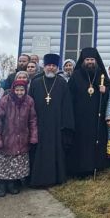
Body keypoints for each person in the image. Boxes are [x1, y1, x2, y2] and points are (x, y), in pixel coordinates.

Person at [28, 54, 74, 188]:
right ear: (44, 66)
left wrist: (66, 125)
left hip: (56, 125)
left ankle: (56, 178)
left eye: (54, 66)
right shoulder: (36, 82)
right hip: (39, 123)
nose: (51, 68)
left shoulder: (61, 82)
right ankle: (38, 179)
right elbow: (30, 104)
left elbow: (67, 106)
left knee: (55, 151)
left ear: (57, 67)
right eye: (49, 65)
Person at [67, 47, 110, 177]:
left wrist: (105, 90)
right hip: (80, 117)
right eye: (87, 59)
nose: (90, 62)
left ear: (96, 60)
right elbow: (69, 96)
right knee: (81, 143)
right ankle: (80, 169)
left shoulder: (101, 74)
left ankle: (95, 166)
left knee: (95, 142)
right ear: (83, 60)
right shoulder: (76, 75)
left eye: (92, 59)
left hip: (97, 117)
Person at [0, 80, 38, 197]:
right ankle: (1, 186)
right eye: (17, 90)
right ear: (13, 89)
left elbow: (32, 120)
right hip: (6, 137)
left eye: (22, 90)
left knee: (15, 164)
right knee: (4, 163)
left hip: (21, 137)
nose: (19, 92)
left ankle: (12, 184)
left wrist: (33, 136)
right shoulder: (4, 101)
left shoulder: (29, 101)